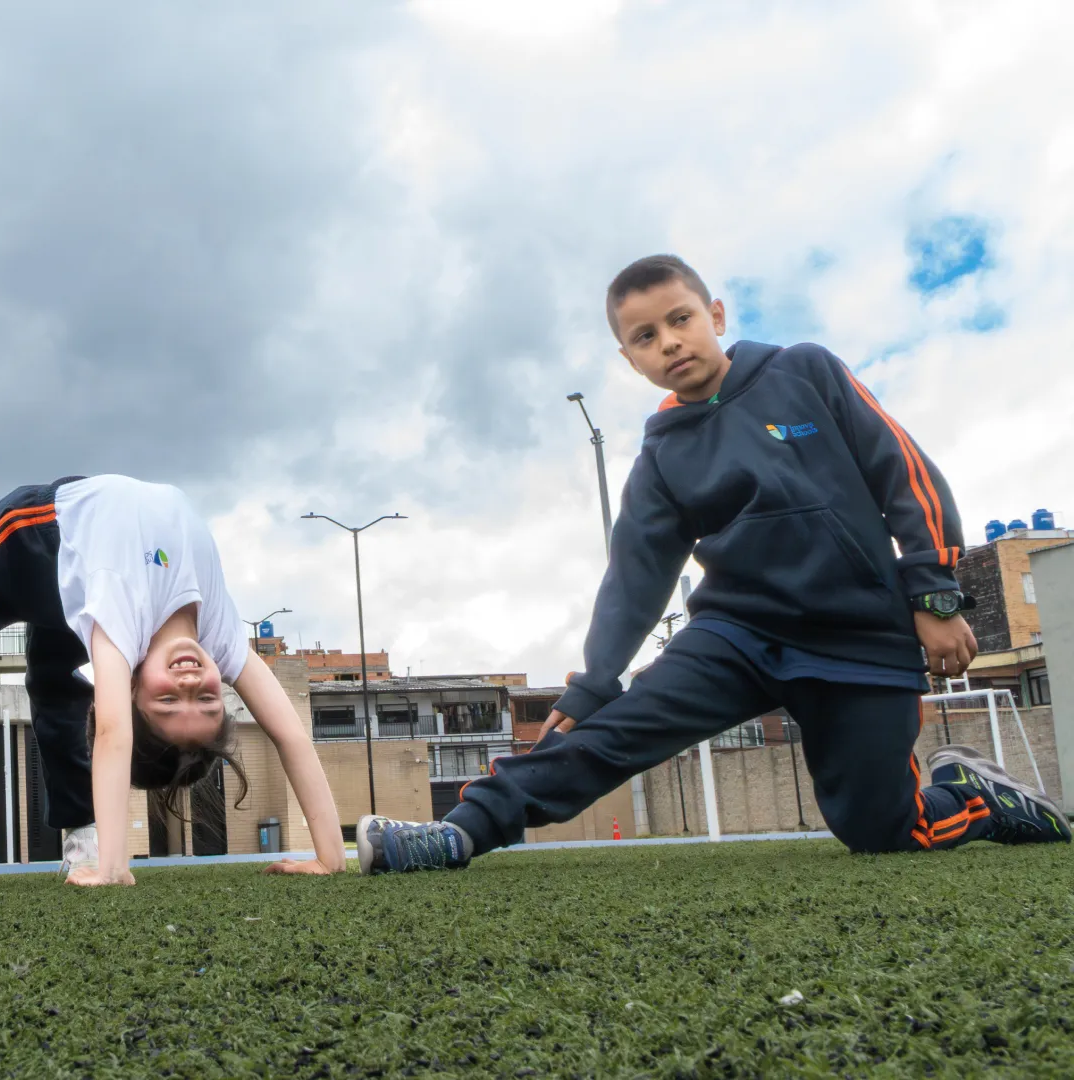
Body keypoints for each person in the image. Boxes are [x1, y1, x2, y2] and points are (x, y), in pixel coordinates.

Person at [359, 254, 1068, 875]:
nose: (669, 342)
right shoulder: (663, 454)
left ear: (715, 315)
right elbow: (634, 579)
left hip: (859, 638)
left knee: (883, 832)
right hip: (739, 637)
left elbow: (904, 474)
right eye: (645, 336)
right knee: (612, 732)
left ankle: (976, 798)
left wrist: (934, 595)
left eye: (680, 319)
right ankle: (458, 833)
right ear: (629, 359)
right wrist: (593, 686)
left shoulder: (804, 371)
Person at [0, 474, 347, 887]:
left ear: (129, 690)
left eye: (169, 700)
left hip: (40, 551)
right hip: (52, 530)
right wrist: (330, 857)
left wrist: (114, 869)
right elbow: (290, 734)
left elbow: (113, 732)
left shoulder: (119, 621)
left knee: (52, 691)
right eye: (208, 698)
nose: (190, 681)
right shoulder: (222, 635)